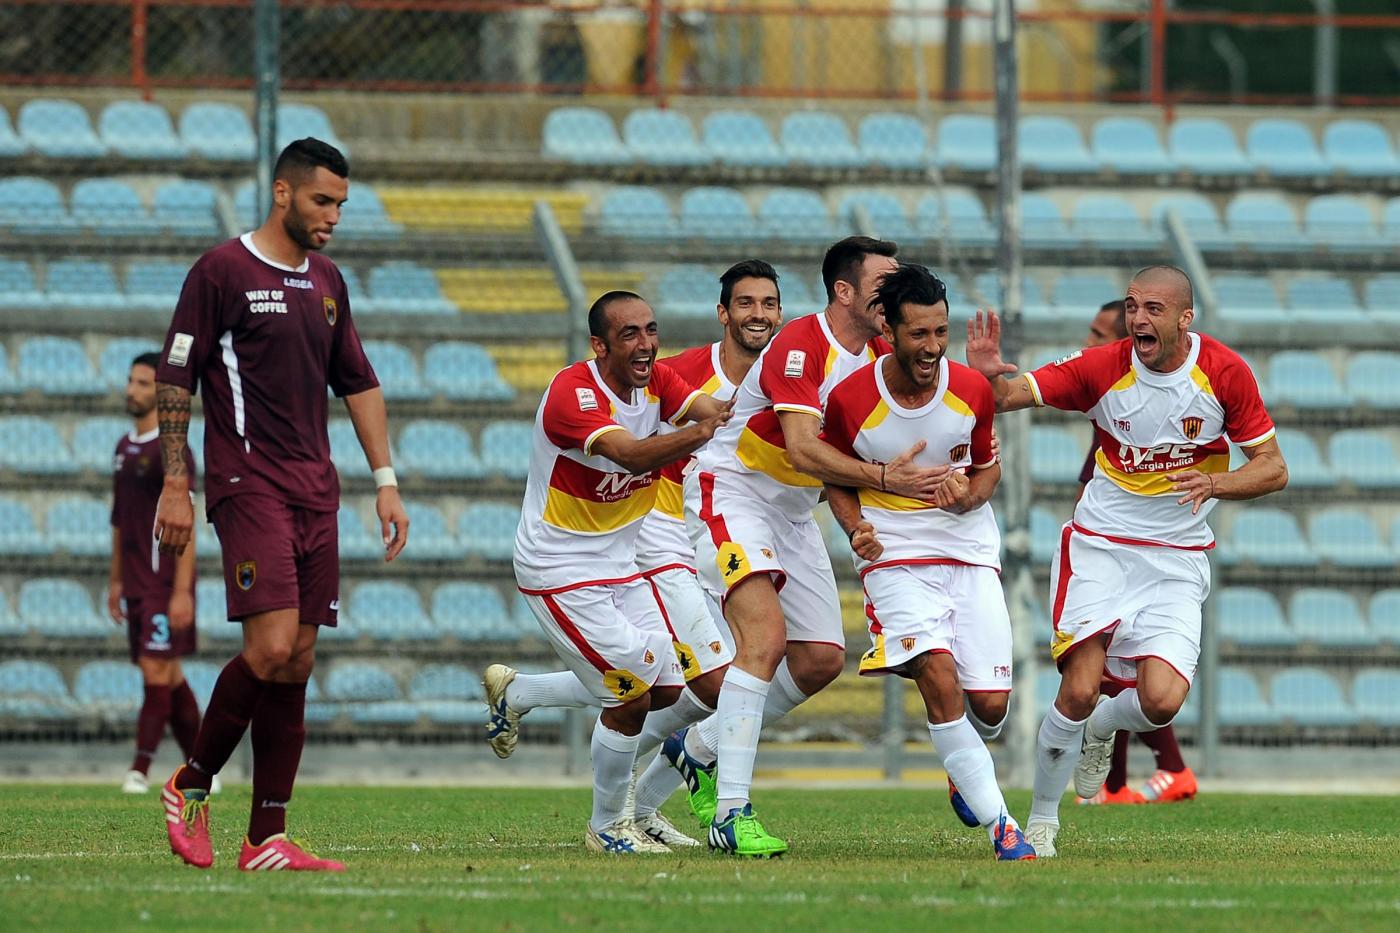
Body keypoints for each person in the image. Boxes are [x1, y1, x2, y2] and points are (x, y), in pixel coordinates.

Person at [965, 265, 1287, 857]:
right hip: (1102, 546)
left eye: (1153, 309)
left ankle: (1105, 726)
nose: (1138, 318)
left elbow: (1274, 467)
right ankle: (1041, 823)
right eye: (1133, 306)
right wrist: (983, 379)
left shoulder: (1224, 372)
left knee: (1162, 702)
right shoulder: (1103, 367)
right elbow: (1010, 396)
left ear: (1185, 319)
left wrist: (1216, 484)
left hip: (1176, 557)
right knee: (1079, 688)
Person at [153, 138, 409, 872]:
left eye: (341, 205)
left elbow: (358, 380)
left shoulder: (327, 280)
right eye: (322, 201)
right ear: (282, 193)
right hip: (248, 484)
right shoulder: (221, 271)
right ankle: (190, 782)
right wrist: (176, 481)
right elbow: (176, 375)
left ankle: (266, 837)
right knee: (267, 648)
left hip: (315, 492)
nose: (333, 216)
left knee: (296, 661)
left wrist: (385, 479)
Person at [483, 261, 782, 849]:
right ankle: (608, 825)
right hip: (561, 569)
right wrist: (696, 434)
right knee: (631, 694)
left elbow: (705, 409)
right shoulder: (572, 394)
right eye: (629, 335)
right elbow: (630, 455)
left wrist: (739, 411)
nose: (646, 345)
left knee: (667, 689)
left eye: (651, 331)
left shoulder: (658, 382)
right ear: (600, 346)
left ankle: (520, 694)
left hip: (622, 563)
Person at [675, 236, 950, 857]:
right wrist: (884, 480)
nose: (894, 296)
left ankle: (699, 746)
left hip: (795, 513)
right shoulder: (801, 344)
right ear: (844, 292)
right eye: (883, 286)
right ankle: (731, 814)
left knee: (822, 659)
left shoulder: (881, 354)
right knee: (764, 641)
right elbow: (802, 449)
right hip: (734, 492)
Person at [822, 264, 1035, 861]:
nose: (933, 347)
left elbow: (987, 469)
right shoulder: (851, 399)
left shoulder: (971, 390)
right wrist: (857, 527)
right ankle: (1004, 829)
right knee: (939, 676)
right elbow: (834, 475)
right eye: (919, 334)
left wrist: (968, 497)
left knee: (989, 706)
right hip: (895, 556)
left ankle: (961, 764)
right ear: (888, 331)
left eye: (941, 332)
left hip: (968, 551)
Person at [1073, 301, 1198, 807]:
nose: (1091, 344)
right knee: (1123, 670)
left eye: (1100, 334)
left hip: (1151, 549)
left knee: (1121, 668)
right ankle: (1145, 777)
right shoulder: (1111, 389)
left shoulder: (1146, 393)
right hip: (1115, 542)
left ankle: (1129, 781)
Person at [109, 352, 206, 796]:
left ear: (161, 394)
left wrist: (183, 591)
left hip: (163, 582)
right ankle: (202, 768)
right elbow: (119, 520)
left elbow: (188, 524)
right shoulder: (123, 447)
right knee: (170, 675)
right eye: (131, 381)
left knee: (155, 670)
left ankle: (140, 770)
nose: (132, 390)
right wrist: (115, 580)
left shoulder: (174, 454)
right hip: (134, 582)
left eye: (143, 384)